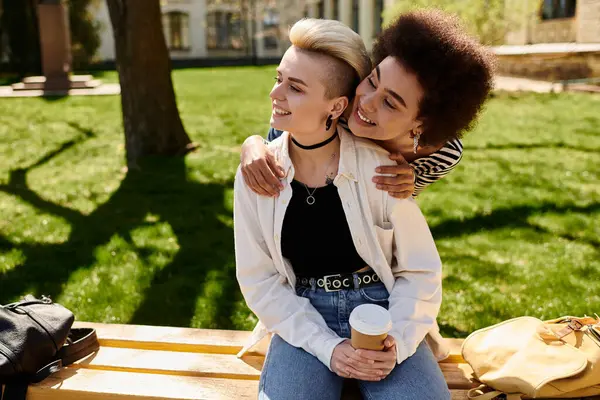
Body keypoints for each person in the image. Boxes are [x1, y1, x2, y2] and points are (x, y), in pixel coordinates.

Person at [234, 17, 455, 400]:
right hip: (301, 313)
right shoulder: (260, 172)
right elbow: (260, 280)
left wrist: (398, 343)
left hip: (382, 309)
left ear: (336, 105)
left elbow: (419, 270)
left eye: (295, 87)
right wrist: (327, 347)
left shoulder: (384, 169)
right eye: (278, 78)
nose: (275, 94)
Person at [240, 10, 494, 200]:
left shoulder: (442, 155)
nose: (366, 102)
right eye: (373, 81)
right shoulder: (342, 110)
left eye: (389, 103)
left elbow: (390, 210)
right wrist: (254, 144)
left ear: (422, 123)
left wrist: (409, 184)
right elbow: (285, 136)